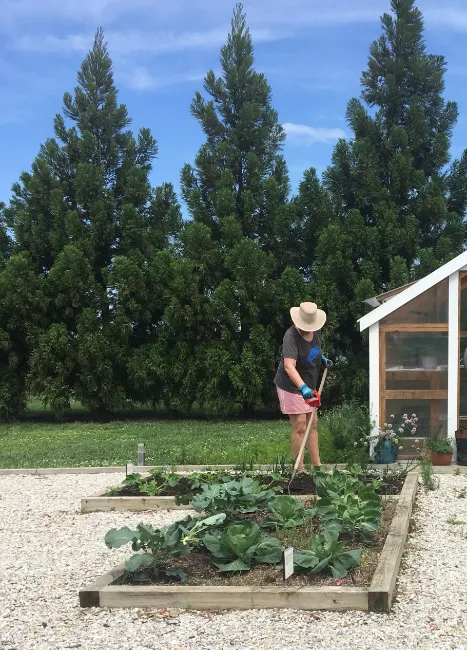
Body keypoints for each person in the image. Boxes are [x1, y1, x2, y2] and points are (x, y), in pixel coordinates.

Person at [274, 302, 330, 472]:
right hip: (291, 385)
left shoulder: (316, 331)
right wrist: (303, 388)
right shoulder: (290, 337)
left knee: (312, 424)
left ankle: (317, 466)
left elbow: (314, 349)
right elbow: (289, 366)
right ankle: (300, 469)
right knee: (300, 425)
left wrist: (322, 358)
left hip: (309, 383)